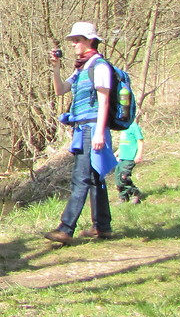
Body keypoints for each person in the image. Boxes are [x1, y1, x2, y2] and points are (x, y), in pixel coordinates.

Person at [44, 21, 119, 245]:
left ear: (90, 41)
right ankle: (102, 227)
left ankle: (66, 229)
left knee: (81, 178)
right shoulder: (81, 69)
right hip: (83, 128)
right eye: (73, 40)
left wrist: (99, 134)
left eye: (77, 40)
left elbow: (104, 102)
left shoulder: (100, 67)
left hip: (93, 128)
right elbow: (60, 91)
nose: (74, 44)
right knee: (95, 178)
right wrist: (56, 68)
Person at [114, 122, 145, 204]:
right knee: (118, 178)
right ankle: (123, 197)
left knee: (123, 177)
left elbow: (140, 141)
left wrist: (139, 155)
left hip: (130, 157)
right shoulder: (124, 126)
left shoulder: (134, 126)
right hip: (122, 157)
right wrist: (116, 153)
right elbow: (123, 144)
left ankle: (135, 193)